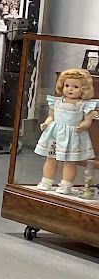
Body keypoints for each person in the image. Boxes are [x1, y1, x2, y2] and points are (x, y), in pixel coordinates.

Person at [34, 67, 96, 195]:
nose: (70, 89)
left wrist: (83, 125)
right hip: (55, 134)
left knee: (70, 161)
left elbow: (88, 120)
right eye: (67, 85)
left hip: (73, 135)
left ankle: (66, 184)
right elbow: (52, 116)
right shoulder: (56, 102)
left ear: (84, 89)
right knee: (51, 158)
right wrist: (47, 122)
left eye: (75, 87)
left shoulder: (84, 105)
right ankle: (47, 181)